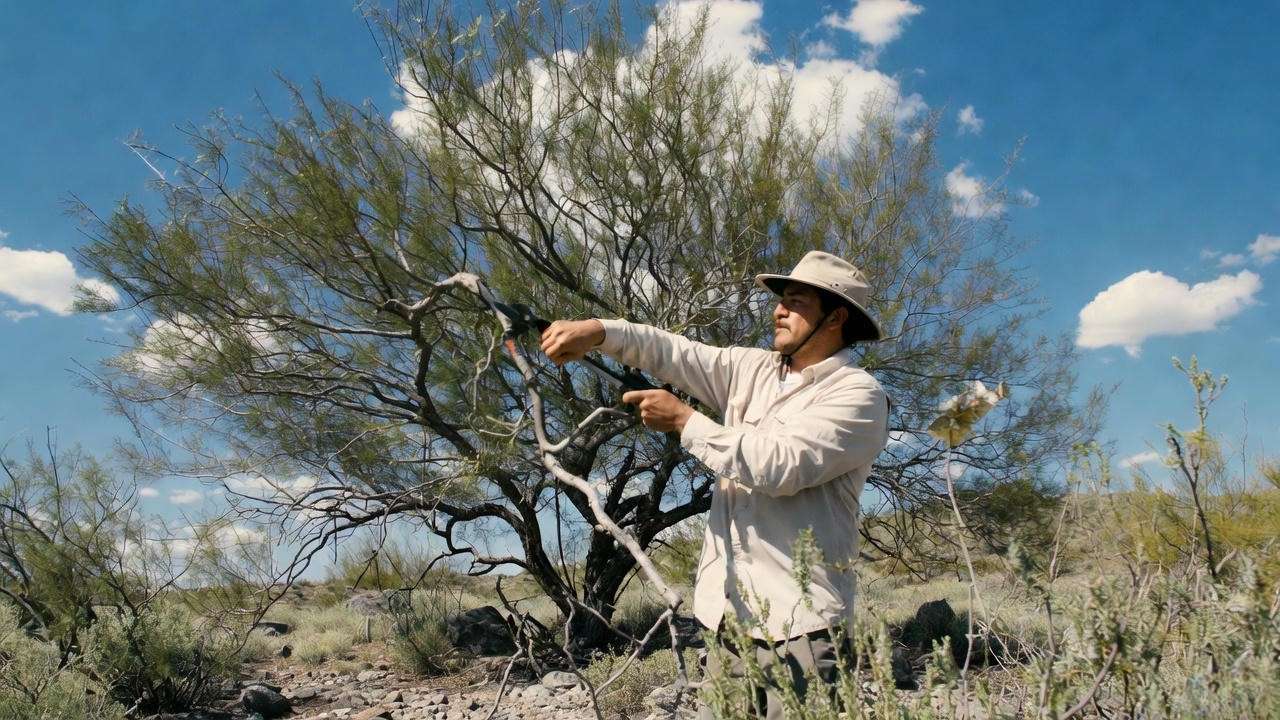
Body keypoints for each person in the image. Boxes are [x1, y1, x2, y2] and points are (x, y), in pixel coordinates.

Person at [540, 251, 890, 719]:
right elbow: (673, 352)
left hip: (803, 629)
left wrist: (685, 421)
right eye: (780, 300)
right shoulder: (752, 369)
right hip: (728, 623)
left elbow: (779, 466)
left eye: (795, 301)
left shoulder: (858, 395)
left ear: (836, 317)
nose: (778, 311)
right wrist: (600, 332)